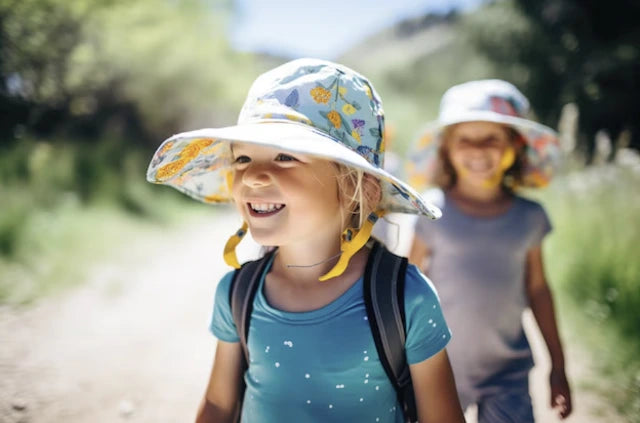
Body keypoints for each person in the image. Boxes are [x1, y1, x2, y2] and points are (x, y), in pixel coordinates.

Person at [146, 59, 465, 423]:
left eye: (285, 157)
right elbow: (219, 405)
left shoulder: (405, 298)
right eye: (243, 158)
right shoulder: (237, 292)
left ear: (356, 189)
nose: (252, 176)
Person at [407, 79, 572, 422]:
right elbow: (407, 287)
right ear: (446, 149)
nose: (478, 150)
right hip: (437, 367)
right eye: (465, 139)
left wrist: (558, 366)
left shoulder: (529, 217)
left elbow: (539, 290)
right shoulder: (432, 212)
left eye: (492, 139)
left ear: (514, 146)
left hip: (508, 374)